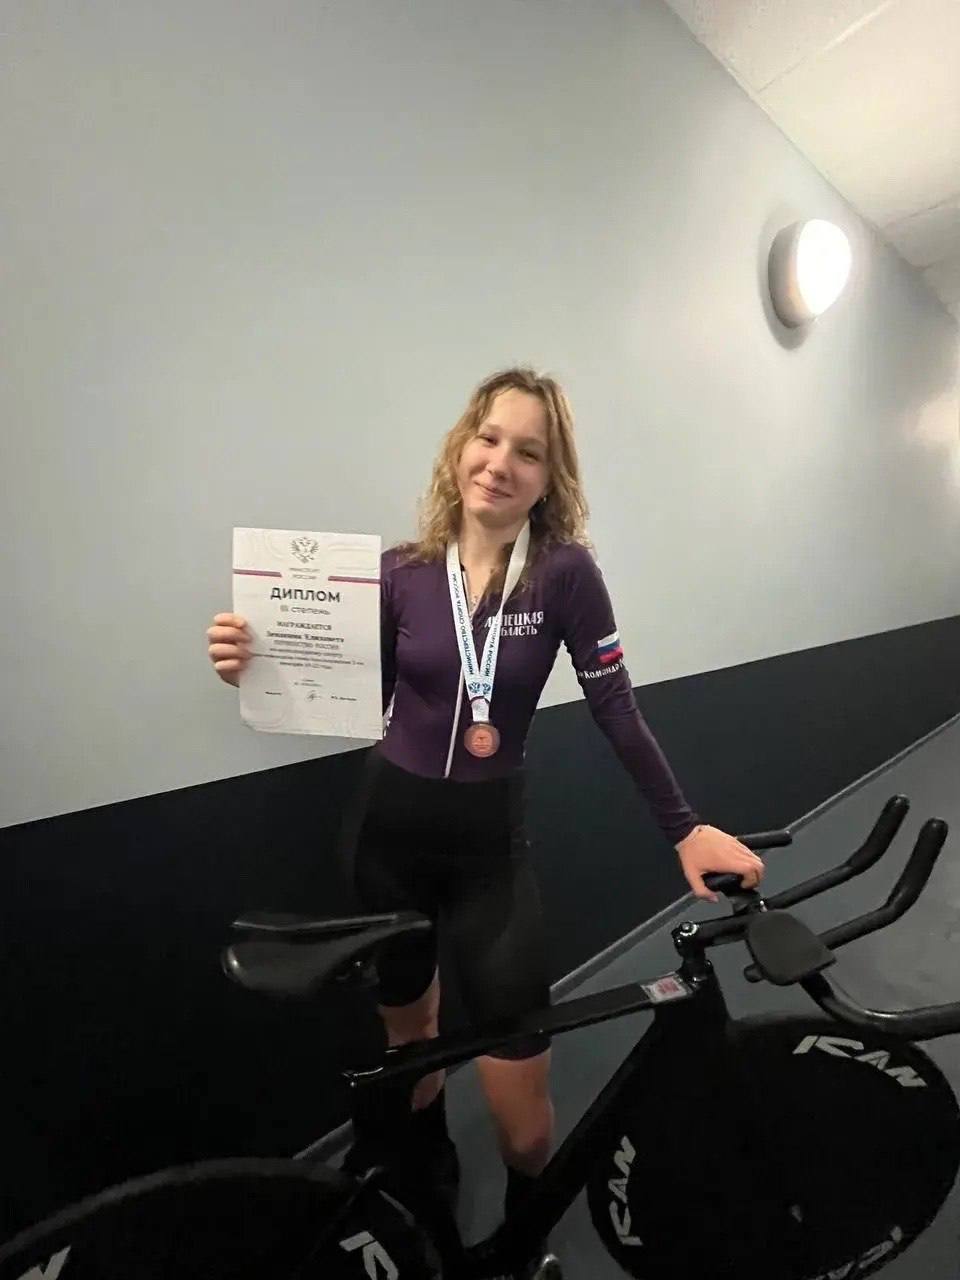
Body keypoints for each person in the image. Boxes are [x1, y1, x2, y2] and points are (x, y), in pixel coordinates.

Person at [206, 366, 764, 1276]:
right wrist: (256, 663)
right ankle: (425, 1192)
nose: (501, 462)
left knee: (525, 1119)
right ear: (462, 447)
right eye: (489, 438)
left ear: (550, 476)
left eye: (528, 452)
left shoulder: (565, 574)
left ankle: (523, 1241)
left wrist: (684, 827)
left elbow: (616, 707)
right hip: (386, 838)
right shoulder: (402, 571)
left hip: (488, 858)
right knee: (412, 1047)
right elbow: (357, 693)